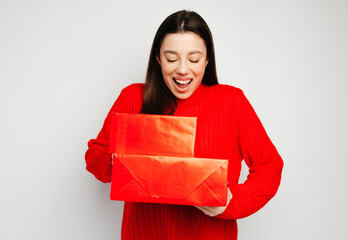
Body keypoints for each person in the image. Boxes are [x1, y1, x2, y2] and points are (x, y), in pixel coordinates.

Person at [85, 10, 283, 240]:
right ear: (158, 58)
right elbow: (95, 154)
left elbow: (270, 166)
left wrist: (232, 202)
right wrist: (115, 162)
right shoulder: (132, 98)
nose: (182, 69)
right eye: (171, 58)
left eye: (194, 59)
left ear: (207, 59)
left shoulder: (232, 102)